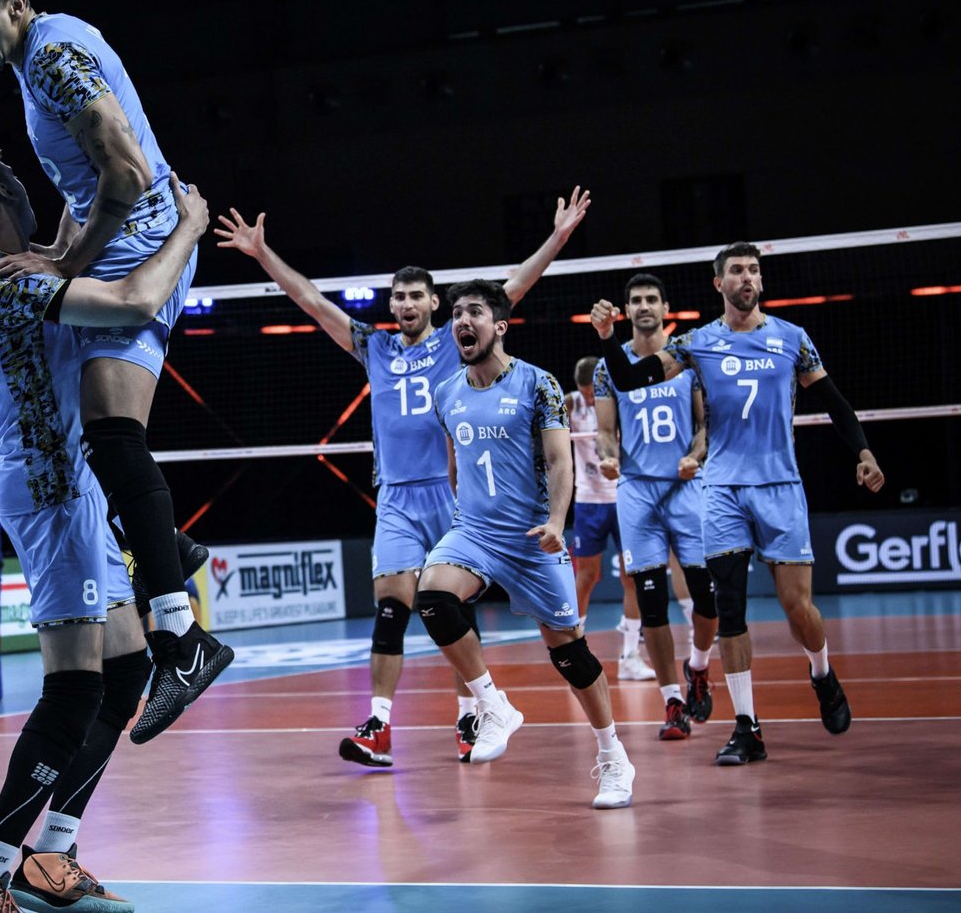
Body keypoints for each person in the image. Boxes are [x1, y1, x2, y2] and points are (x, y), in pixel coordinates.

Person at [0, 0, 228, 740]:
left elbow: (125, 176)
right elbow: (84, 184)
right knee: (106, 438)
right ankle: (177, 569)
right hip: (137, 237)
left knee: (108, 431)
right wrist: (69, 246)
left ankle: (180, 635)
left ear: (16, 6)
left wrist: (70, 261)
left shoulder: (53, 60)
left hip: (146, 246)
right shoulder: (44, 57)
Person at [212, 190, 589, 767]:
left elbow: (510, 289)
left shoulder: (454, 341)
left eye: (416, 295)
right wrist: (263, 255)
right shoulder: (375, 347)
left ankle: (474, 714)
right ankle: (380, 725)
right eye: (398, 296)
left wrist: (559, 238)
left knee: (450, 604)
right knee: (393, 604)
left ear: (435, 302)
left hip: (451, 490)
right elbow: (312, 301)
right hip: (395, 494)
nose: (406, 303)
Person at [0, 139, 208, 913]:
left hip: (71, 485)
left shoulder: (23, 265)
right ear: (9, 196)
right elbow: (132, 303)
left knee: (125, 674)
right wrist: (188, 228)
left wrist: (84, 179)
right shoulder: (1, 280)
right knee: (73, 688)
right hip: (49, 491)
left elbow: (68, 245)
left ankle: (50, 856)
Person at [592, 242, 884, 766]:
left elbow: (835, 402)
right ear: (719, 284)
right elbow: (633, 378)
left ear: (761, 281)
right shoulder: (698, 342)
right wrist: (610, 340)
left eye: (753, 270)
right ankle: (747, 727)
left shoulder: (792, 339)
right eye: (735, 271)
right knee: (730, 608)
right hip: (722, 490)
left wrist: (862, 452)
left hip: (779, 486)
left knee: (799, 609)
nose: (746, 277)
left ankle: (822, 672)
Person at [416, 279, 636, 809]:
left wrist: (558, 521)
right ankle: (493, 705)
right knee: (433, 595)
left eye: (474, 312)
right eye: (457, 314)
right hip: (475, 532)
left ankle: (613, 757)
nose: (462, 321)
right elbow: (453, 468)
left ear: (500, 326)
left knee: (570, 654)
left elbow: (561, 461)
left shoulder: (538, 385)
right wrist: (464, 523)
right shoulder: (446, 394)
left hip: (534, 535)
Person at [593, 274, 721, 740]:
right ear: (626, 311)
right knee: (650, 601)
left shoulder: (685, 360)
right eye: (636, 300)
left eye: (651, 299)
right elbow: (606, 430)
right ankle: (671, 701)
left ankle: (699, 665)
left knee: (706, 599)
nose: (644, 306)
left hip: (687, 489)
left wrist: (696, 454)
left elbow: (706, 426)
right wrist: (607, 456)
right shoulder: (609, 366)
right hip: (638, 492)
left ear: (666, 306)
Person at [566, 356, 655, 682]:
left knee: (632, 577)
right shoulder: (571, 404)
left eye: (593, 393)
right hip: (589, 501)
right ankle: (573, 649)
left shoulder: (616, 402)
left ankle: (630, 654)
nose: (590, 399)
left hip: (624, 498)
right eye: (585, 393)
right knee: (586, 576)